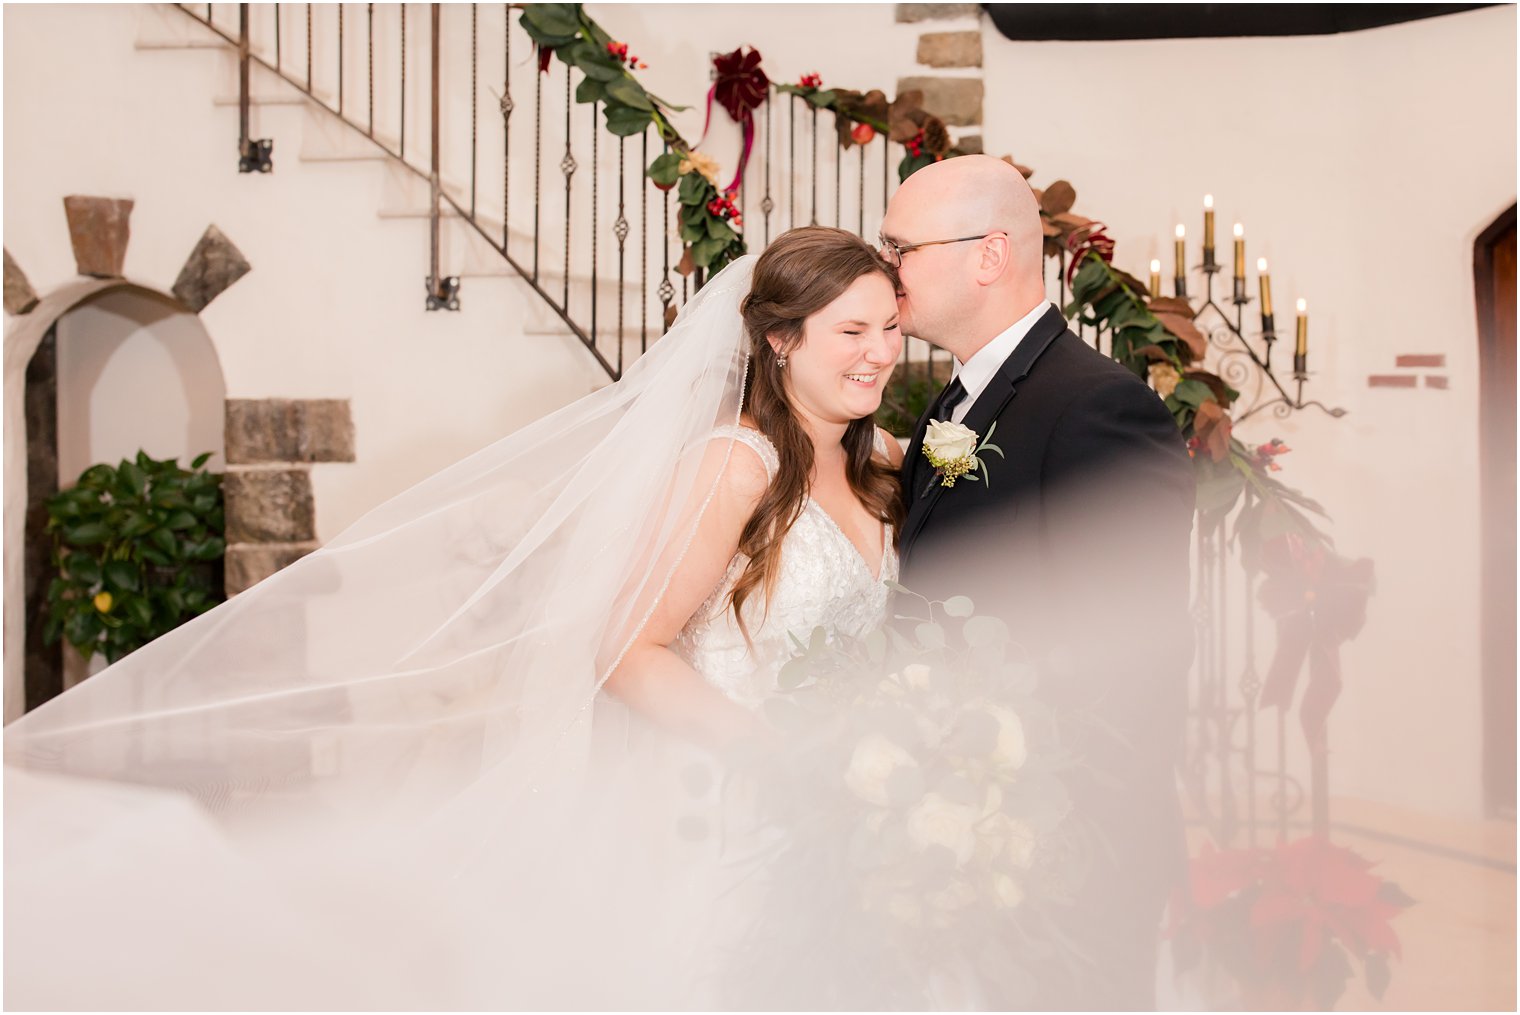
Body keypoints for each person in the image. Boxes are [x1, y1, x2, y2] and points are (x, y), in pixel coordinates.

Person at [3, 227, 914, 1009]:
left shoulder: (881, 464)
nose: (878, 351)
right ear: (782, 340)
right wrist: (775, 752)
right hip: (729, 797)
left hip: (848, 798)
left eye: (891, 328)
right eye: (852, 330)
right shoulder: (734, 467)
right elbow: (627, 650)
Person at [883, 154, 1197, 1010]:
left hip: (1061, 860)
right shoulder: (951, 407)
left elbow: (1136, 659)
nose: (885, 273)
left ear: (987, 256)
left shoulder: (1099, 407)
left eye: (899, 248)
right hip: (964, 841)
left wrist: (1033, 842)